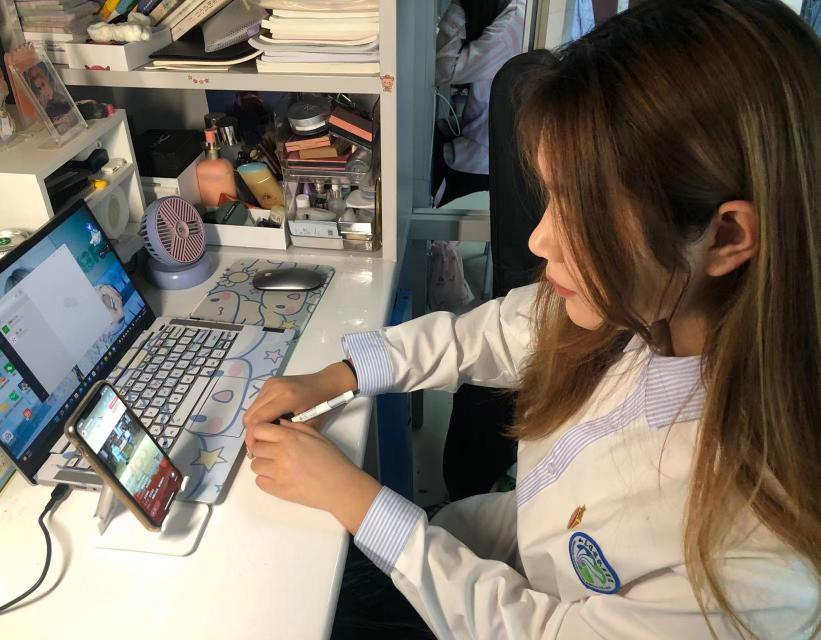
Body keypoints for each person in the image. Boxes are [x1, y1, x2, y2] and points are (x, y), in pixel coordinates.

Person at [243, 1, 820, 637]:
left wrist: (356, 499)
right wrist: (341, 376)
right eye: (552, 198)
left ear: (727, 236)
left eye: (583, 211)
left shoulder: (753, 565)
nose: (540, 239)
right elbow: (495, 332)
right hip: (494, 554)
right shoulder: (648, 313)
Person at [433, 0, 525, 205]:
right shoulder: (520, 14)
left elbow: (441, 70)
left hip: (476, 159)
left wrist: (459, 6)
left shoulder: (512, 24)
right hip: (485, 145)